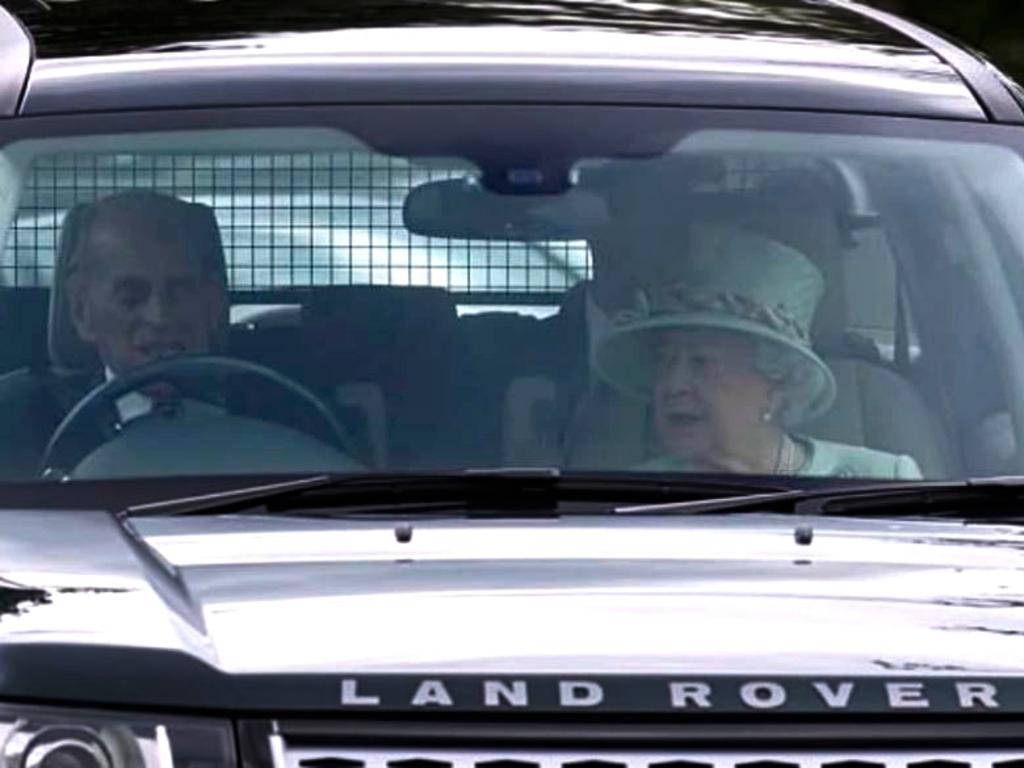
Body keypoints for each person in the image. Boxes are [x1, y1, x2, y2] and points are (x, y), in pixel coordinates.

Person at [594, 230, 923, 479]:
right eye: (666, 361)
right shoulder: (635, 493)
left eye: (701, 362)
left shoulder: (884, 479)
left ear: (776, 386)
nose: (673, 384)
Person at [0, 190, 229, 478]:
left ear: (213, 302)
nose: (160, 318)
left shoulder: (278, 411)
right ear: (82, 313)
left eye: (180, 293)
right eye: (131, 298)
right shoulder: (15, 427)